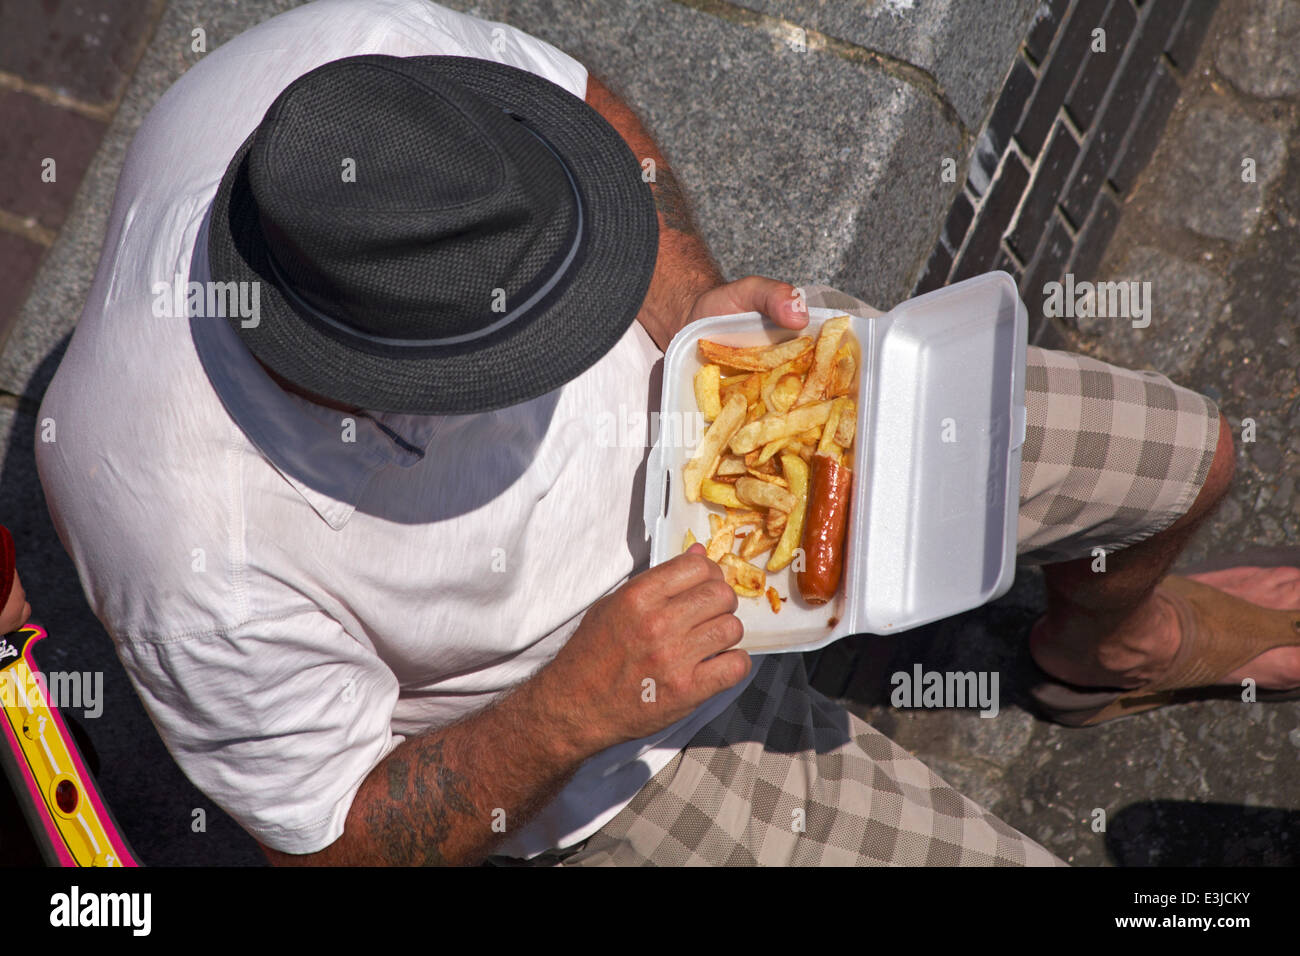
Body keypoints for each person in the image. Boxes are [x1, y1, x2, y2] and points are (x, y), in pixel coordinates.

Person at [34, 0, 1300, 867]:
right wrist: (570, 711)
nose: (580, 346)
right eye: (524, 338)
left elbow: (586, 102)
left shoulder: (348, 74)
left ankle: (1102, 653)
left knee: (1192, 458)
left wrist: (684, 297)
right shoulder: (178, 532)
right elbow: (322, 840)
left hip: (755, 407)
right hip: (625, 740)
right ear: (366, 371)